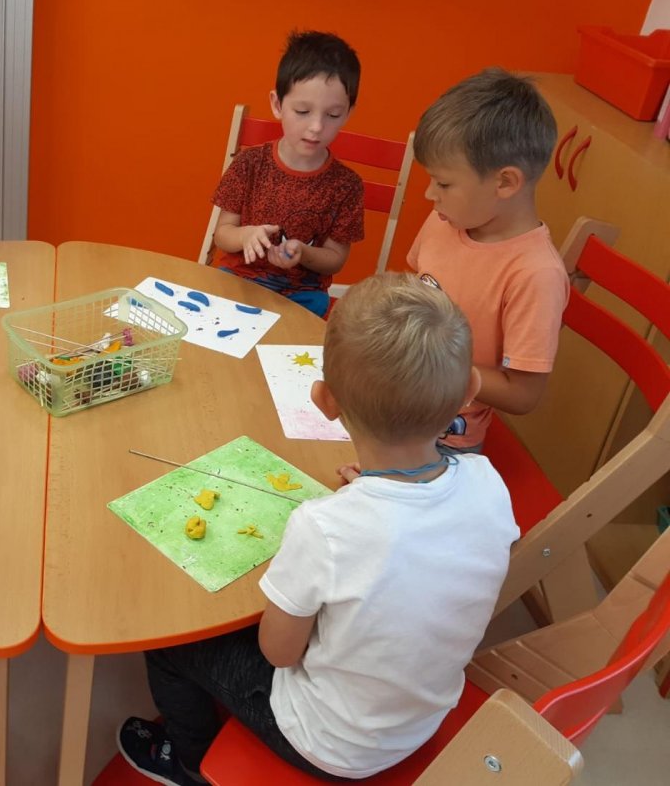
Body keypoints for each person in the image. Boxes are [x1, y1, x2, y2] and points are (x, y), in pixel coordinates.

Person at [117, 273, 520, 783]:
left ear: (324, 400)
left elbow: (279, 653)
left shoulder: (324, 527)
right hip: (422, 719)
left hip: (329, 745)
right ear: (469, 391)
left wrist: (352, 523)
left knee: (171, 646)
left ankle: (188, 762)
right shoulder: (489, 482)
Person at [407, 68, 570, 452]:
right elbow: (413, 288)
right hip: (396, 400)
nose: (430, 194)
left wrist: (432, 363)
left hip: (444, 440)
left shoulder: (536, 275)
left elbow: (523, 395)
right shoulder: (445, 220)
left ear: (505, 182)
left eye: (443, 183)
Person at [209, 30, 365, 317]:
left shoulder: (347, 185)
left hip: (302, 294)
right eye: (303, 111)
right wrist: (246, 236)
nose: (316, 127)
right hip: (239, 279)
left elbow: (335, 259)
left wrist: (303, 253)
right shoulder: (249, 163)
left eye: (332, 115)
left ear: (348, 112)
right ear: (278, 104)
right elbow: (222, 234)